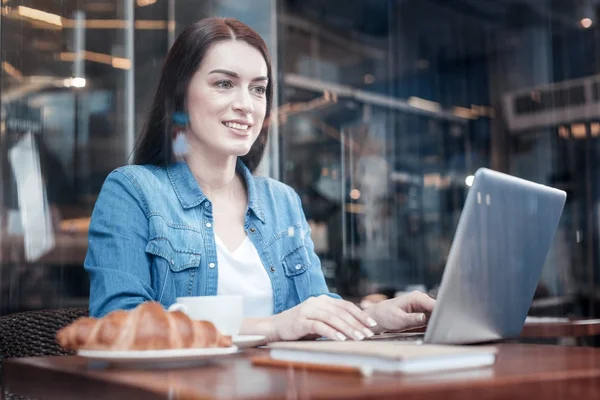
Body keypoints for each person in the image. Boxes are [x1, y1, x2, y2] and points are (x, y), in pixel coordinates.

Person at [85, 17, 435, 342]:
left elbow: (315, 311)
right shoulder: (134, 191)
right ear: (180, 95)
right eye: (224, 84)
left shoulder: (281, 200)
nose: (246, 105)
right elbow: (117, 324)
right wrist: (272, 327)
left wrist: (372, 317)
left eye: (258, 89)